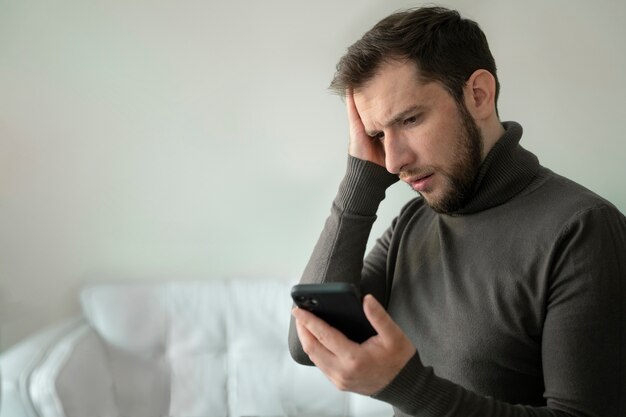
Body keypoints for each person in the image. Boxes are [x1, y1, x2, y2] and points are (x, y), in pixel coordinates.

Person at [288, 6, 626, 417]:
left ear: (478, 95)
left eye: (410, 119)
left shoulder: (583, 229)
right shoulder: (412, 225)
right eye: (378, 135)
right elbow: (306, 342)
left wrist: (407, 387)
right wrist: (361, 182)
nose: (392, 161)